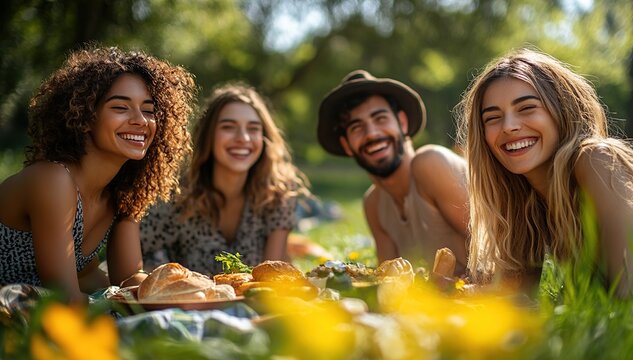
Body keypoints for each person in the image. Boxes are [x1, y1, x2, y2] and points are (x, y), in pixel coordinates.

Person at [0, 46, 196, 303]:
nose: (140, 120)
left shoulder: (123, 193)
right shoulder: (54, 179)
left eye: (149, 110)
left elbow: (126, 278)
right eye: (120, 107)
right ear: (86, 116)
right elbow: (65, 297)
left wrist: (182, 291)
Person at [456, 48, 633, 295]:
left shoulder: (596, 160)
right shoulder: (527, 203)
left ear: (563, 109)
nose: (509, 126)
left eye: (527, 108)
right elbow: (521, 299)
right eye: (493, 118)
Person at [138, 82, 311, 275]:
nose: (243, 138)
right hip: (182, 301)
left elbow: (273, 276)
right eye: (229, 127)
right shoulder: (177, 194)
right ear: (208, 136)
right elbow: (136, 256)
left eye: (253, 128)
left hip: (250, 302)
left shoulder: (277, 194)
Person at [317, 70, 469, 274]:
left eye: (380, 119)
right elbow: (389, 283)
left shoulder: (431, 163)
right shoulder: (374, 204)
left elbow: (497, 252)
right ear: (346, 145)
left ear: (402, 123)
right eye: (356, 127)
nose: (372, 134)